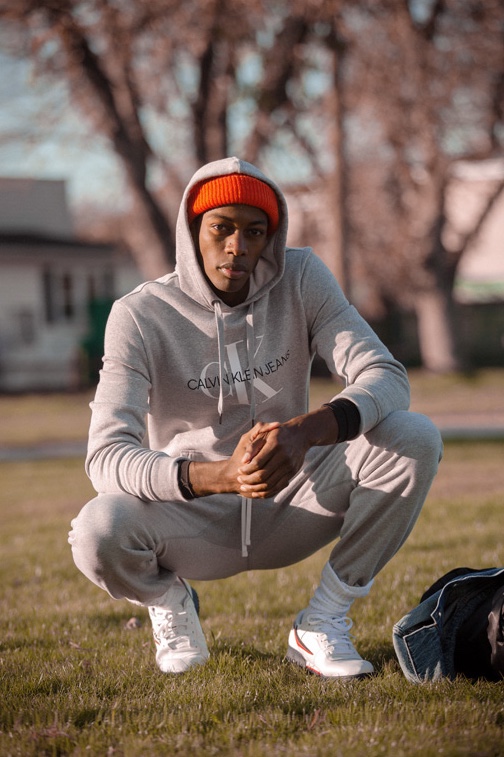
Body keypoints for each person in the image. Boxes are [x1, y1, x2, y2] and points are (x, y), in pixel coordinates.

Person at [69, 156, 443, 679]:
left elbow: (385, 375)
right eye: (221, 228)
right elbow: (105, 456)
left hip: (293, 498)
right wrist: (218, 476)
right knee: (96, 530)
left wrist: (305, 432)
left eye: (255, 231)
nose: (237, 247)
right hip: (194, 519)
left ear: (271, 235)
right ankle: (171, 602)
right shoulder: (139, 315)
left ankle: (321, 623)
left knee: (414, 437)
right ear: (192, 228)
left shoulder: (303, 278)